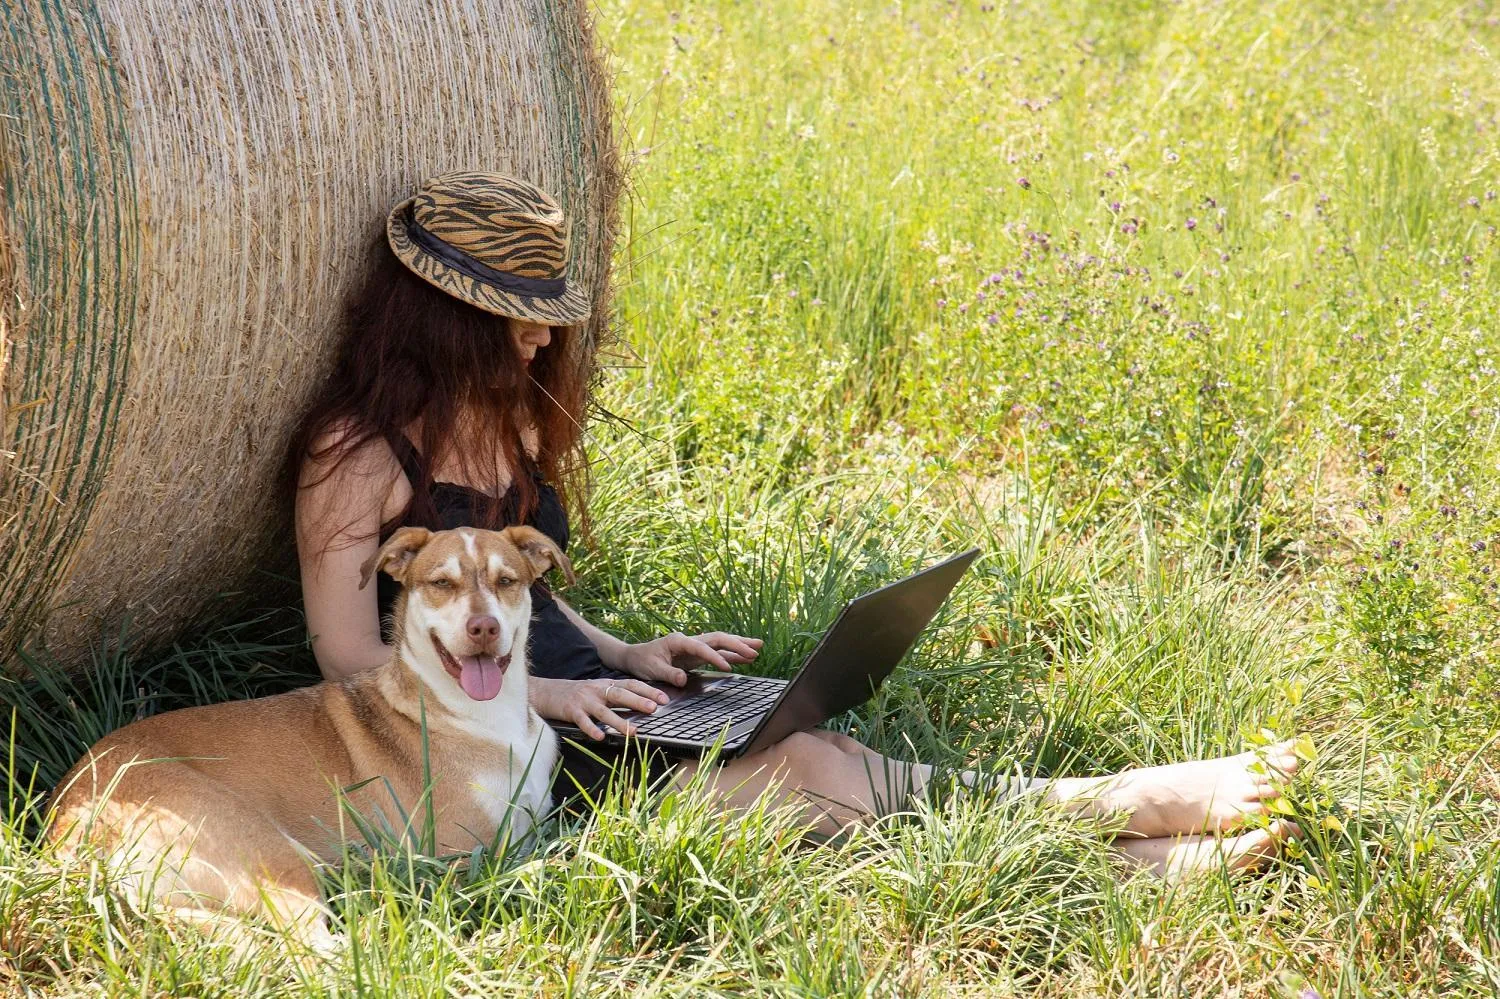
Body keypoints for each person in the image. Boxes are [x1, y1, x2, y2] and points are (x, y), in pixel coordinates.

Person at [291, 172, 1301, 880]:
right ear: (442, 316)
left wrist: (628, 653)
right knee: (816, 775)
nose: (547, 332)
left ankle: (1132, 849)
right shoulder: (358, 456)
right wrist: (551, 693)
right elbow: (345, 656)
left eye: (551, 308)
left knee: (818, 756)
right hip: (488, 741)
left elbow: (530, 597)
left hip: (591, 702)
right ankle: (1129, 813)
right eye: (516, 310)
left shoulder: (509, 413)